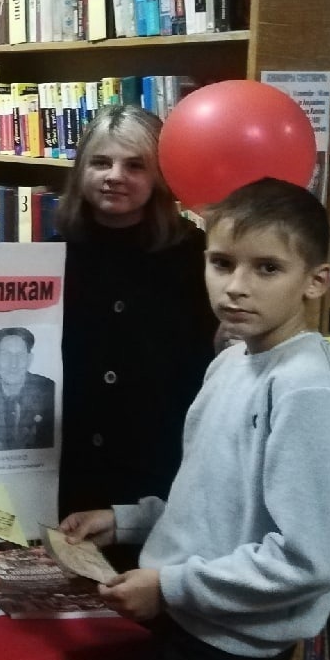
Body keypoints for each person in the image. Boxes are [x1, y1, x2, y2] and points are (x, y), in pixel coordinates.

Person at [61, 177, 330, 660]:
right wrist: (130, 519)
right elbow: (216, 494)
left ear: (315, 281)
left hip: (230, 644)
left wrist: (170, 585)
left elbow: (310, 560)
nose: (236, 287)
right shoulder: (233, 361)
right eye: (222, 263)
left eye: (267, 268)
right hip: (194, 618)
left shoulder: (308, 391)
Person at [57, 105, 218, 516]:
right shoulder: (49, 257)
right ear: (80, 170)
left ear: (160, 176)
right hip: (66, 467)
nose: (114, 176)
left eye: (135, 165)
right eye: (100, 162)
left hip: (158, 471)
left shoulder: (199, 257)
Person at [0, 327, 57, 450]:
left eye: (20, 355)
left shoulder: (49, 391)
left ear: (29, 359)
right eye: (6, 355)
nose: (13, 364)